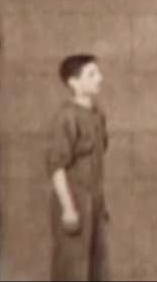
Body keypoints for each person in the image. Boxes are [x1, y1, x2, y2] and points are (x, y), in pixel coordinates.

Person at [47, 54, 110, 281]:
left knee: (98, 270)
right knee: (72, 270)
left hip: (96, 203)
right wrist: (68, 208)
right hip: (74, 202)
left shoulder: (98, 115)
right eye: (92, 74)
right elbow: (56, 167)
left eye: (98, 73)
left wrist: (100, 204)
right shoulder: (66, 117)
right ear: (74, 82)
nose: (100, 78)